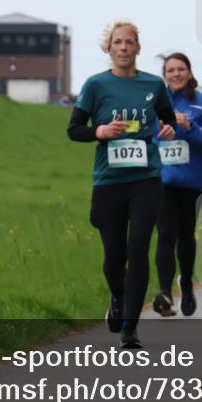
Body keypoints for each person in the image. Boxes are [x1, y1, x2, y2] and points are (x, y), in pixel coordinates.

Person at [68, 21, 177, 349]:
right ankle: (117, 297)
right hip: (109, 181)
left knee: (139, 247)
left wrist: (169, 130)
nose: (125, 47)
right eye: (118, 42)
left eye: (130, 42)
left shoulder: (153, 85)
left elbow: (167, 119)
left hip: (146, 179)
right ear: (110, 48)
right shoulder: (96, 85)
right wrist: (99, 132)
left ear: (138, 48)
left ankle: (130, 326)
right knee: (114, 256)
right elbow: (74, 129)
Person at [152, 53, 202, 317]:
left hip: (191, 182)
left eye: (181, 69)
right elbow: (147, 136)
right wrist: (159, 136)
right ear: (165, 75)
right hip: (163, 181)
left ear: (190, 73)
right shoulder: (156, 103)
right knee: (166, 234)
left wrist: (188, 125)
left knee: (185, 236)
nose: (176, 74)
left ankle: (188, 284)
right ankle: (165, 293)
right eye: (170, 70)